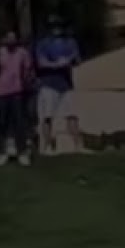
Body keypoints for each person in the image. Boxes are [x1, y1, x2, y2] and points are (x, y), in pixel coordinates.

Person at [35, 16, 82, 155]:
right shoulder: (43, 43)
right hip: (48, 84)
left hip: (66, 85)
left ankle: (78, 146)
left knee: (72, 115)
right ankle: (48, 146)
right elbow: (41, 63)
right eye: (53, 26)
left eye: (59, 25)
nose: (56, 29)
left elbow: (77, 60)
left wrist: (68, 61)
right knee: (47, 117)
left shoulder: (70, 42)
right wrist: (58, 64)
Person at [0, 31, 34, 166]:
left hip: (17, 91)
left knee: (19, 121)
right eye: (8, 37)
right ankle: (0, 152)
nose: (10, 40)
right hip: (1, 91)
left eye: (13, 37)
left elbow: (27, 70)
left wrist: (26, 83)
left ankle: (22, 152)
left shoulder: (22, 53)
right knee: (1, 121)